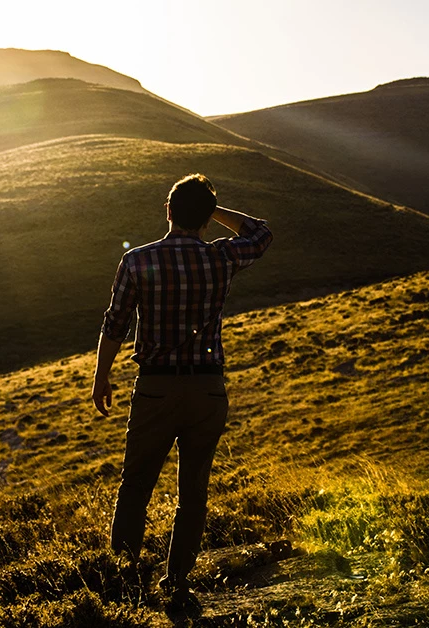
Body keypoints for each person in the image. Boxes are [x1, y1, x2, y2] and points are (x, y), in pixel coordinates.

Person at [91, 173, 273, 607]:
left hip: (154, 388)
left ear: (168, 212)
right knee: (194, 490)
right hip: (208, 389)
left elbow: (115, 324)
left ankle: (125, 584)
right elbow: (262, 233)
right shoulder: (222, 257)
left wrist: (102, 376)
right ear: (207, 219)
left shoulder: (137, 260)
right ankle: (176, 582)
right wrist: (218, 210)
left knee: (135, 486)